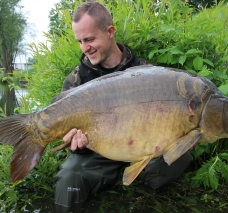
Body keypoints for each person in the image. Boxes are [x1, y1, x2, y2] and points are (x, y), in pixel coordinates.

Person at [53, 2, 193, 212]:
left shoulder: (147, 73)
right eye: (80, 41)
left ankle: (142, 185)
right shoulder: (76, 82)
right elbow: (69, 138)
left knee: (182, 156)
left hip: (146, 146)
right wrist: (77, 144)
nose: (84, 48)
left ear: (110, 32)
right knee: (68, 178)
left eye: (90, 39)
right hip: (100, 150)